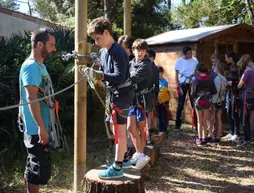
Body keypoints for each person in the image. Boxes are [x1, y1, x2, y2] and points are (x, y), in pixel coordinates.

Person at [86, 17, 133, 179]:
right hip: (113, 94)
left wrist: (99, 75)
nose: (96, 42)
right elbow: (105, 69)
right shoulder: (103, 51)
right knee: (115, 128)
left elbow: (119, 76)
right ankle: (124, 158)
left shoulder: (118, 51)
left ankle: (118, 167)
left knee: (119, 131)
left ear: (106, 32)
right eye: (94, 39)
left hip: (122, 94)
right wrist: (92, 70)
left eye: (97, 38)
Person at [19, 28, 56, 193]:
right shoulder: (31, 66)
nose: (54, 49)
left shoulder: (39, 65)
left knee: (33, 165)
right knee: (38, 170)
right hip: (36, 128)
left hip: (40, 126)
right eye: (51, 45)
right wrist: (41, 127)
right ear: (40, 44)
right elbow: (31, 97)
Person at [127, 39, 152, 170]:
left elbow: (133, 79)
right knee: (130, 128)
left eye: (142, 50)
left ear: (145, 51)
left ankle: (140, 153)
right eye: (137, 49)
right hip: (131, 100)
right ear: (133, 50)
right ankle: (139, 153)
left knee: (141, 128)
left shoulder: (146, 65)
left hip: (141, 101)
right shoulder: (130, 63)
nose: (140, 52)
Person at [174, 46, 198, 134]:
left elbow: (196, 72)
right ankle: (177, 126)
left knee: (194, 104)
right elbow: (176, 75)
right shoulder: (179, 61)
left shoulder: (195, 60)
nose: (190, 55)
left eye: (191, 53)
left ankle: (195, 125)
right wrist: (177, 85)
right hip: (183, 83)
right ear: (184, 54)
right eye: (188, 53)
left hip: (192, 82)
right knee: (180, 105)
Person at [191, 63, 217, 145]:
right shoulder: (210, 80)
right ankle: (205, 138)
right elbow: (214, 91)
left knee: (199, 120)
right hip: (207, 102)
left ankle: (200, 138)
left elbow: (193, 93)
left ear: (198, 71)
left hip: (198, 102)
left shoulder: (196, 80)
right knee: (205, 120)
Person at [222, 51, 240, 143]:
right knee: (229, 112)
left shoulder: (238, 67)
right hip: (229, 92)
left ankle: (236, 134)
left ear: (231, 58)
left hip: (235, 93)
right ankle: (231, 131)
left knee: (234, 113)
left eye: (226, 58)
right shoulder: (230, 67)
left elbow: (240, 81)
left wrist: (232, 83)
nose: (225, 59)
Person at [237, 54, 254, 147]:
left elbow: (240, 85)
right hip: (253, 96)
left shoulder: (247, 72)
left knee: (244, 117)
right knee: (252, 115)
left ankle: (246, 138)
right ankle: (249, 134)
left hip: (246, 96)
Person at [210, 62, 227, 143]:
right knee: (218, 118)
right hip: (222, 99)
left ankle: (215, 136)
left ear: (217, 69)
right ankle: (218, 135)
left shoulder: (217, 78)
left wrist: (213, 101)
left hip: (216, 101)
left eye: (215, 67)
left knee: (214, 118)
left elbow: (216, 91)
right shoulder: (224, 78)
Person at [147, 49, 159, 136]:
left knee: (151, 112)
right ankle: (150, 130)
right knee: (150, 112)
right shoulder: (155, 68)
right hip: (151, 93)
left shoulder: (154, 68)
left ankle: (150, 130)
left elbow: (156, 83)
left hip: (151, 92)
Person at [157, 67, 171, 137]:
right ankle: (159, 130)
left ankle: (163, 130)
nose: (157, 76)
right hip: (157, 102)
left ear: (162, 73)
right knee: (158, 117)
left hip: (163, 102)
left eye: (159, 74)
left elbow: (164, 93)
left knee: (163, 116)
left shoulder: (165, 82)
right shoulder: (156, 81)